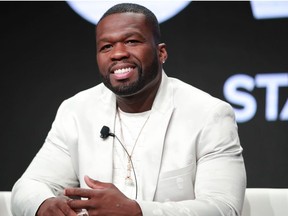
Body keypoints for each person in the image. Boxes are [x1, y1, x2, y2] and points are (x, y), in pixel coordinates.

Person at [11, 3, 246, 216]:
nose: (118, 53)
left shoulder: (208, 114)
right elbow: (28, 186)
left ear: (161, 52)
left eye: (132, 41)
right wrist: (43, 205)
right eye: (106, 46)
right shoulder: (76, 111)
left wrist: (137, 212)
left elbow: (223, 208)